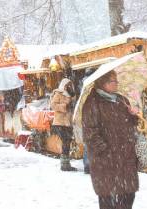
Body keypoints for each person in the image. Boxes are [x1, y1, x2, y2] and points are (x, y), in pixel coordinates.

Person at [82, 70, 139, 209]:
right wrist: (106, 151)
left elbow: (131, 125)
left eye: (116, 80)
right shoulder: (92, 103)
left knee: (128, 196)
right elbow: (90, 132)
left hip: (126, 158)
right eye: (113, 81)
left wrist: (133, 115)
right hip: (106, 162)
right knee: (108, 200)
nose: (117, 83)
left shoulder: (121, 100)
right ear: (103, 83)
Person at [50, 78, 77, 171]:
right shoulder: (58, 93)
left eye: (70, 85)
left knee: (67, 142)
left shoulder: (71, 95)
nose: (69, 86)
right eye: (67, 85)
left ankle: (66, 163)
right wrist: (64, 106)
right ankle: (64, 164)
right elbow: (53, 105)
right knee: (65, 142)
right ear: (63, 85)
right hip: (60, 122)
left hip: (68, 123)